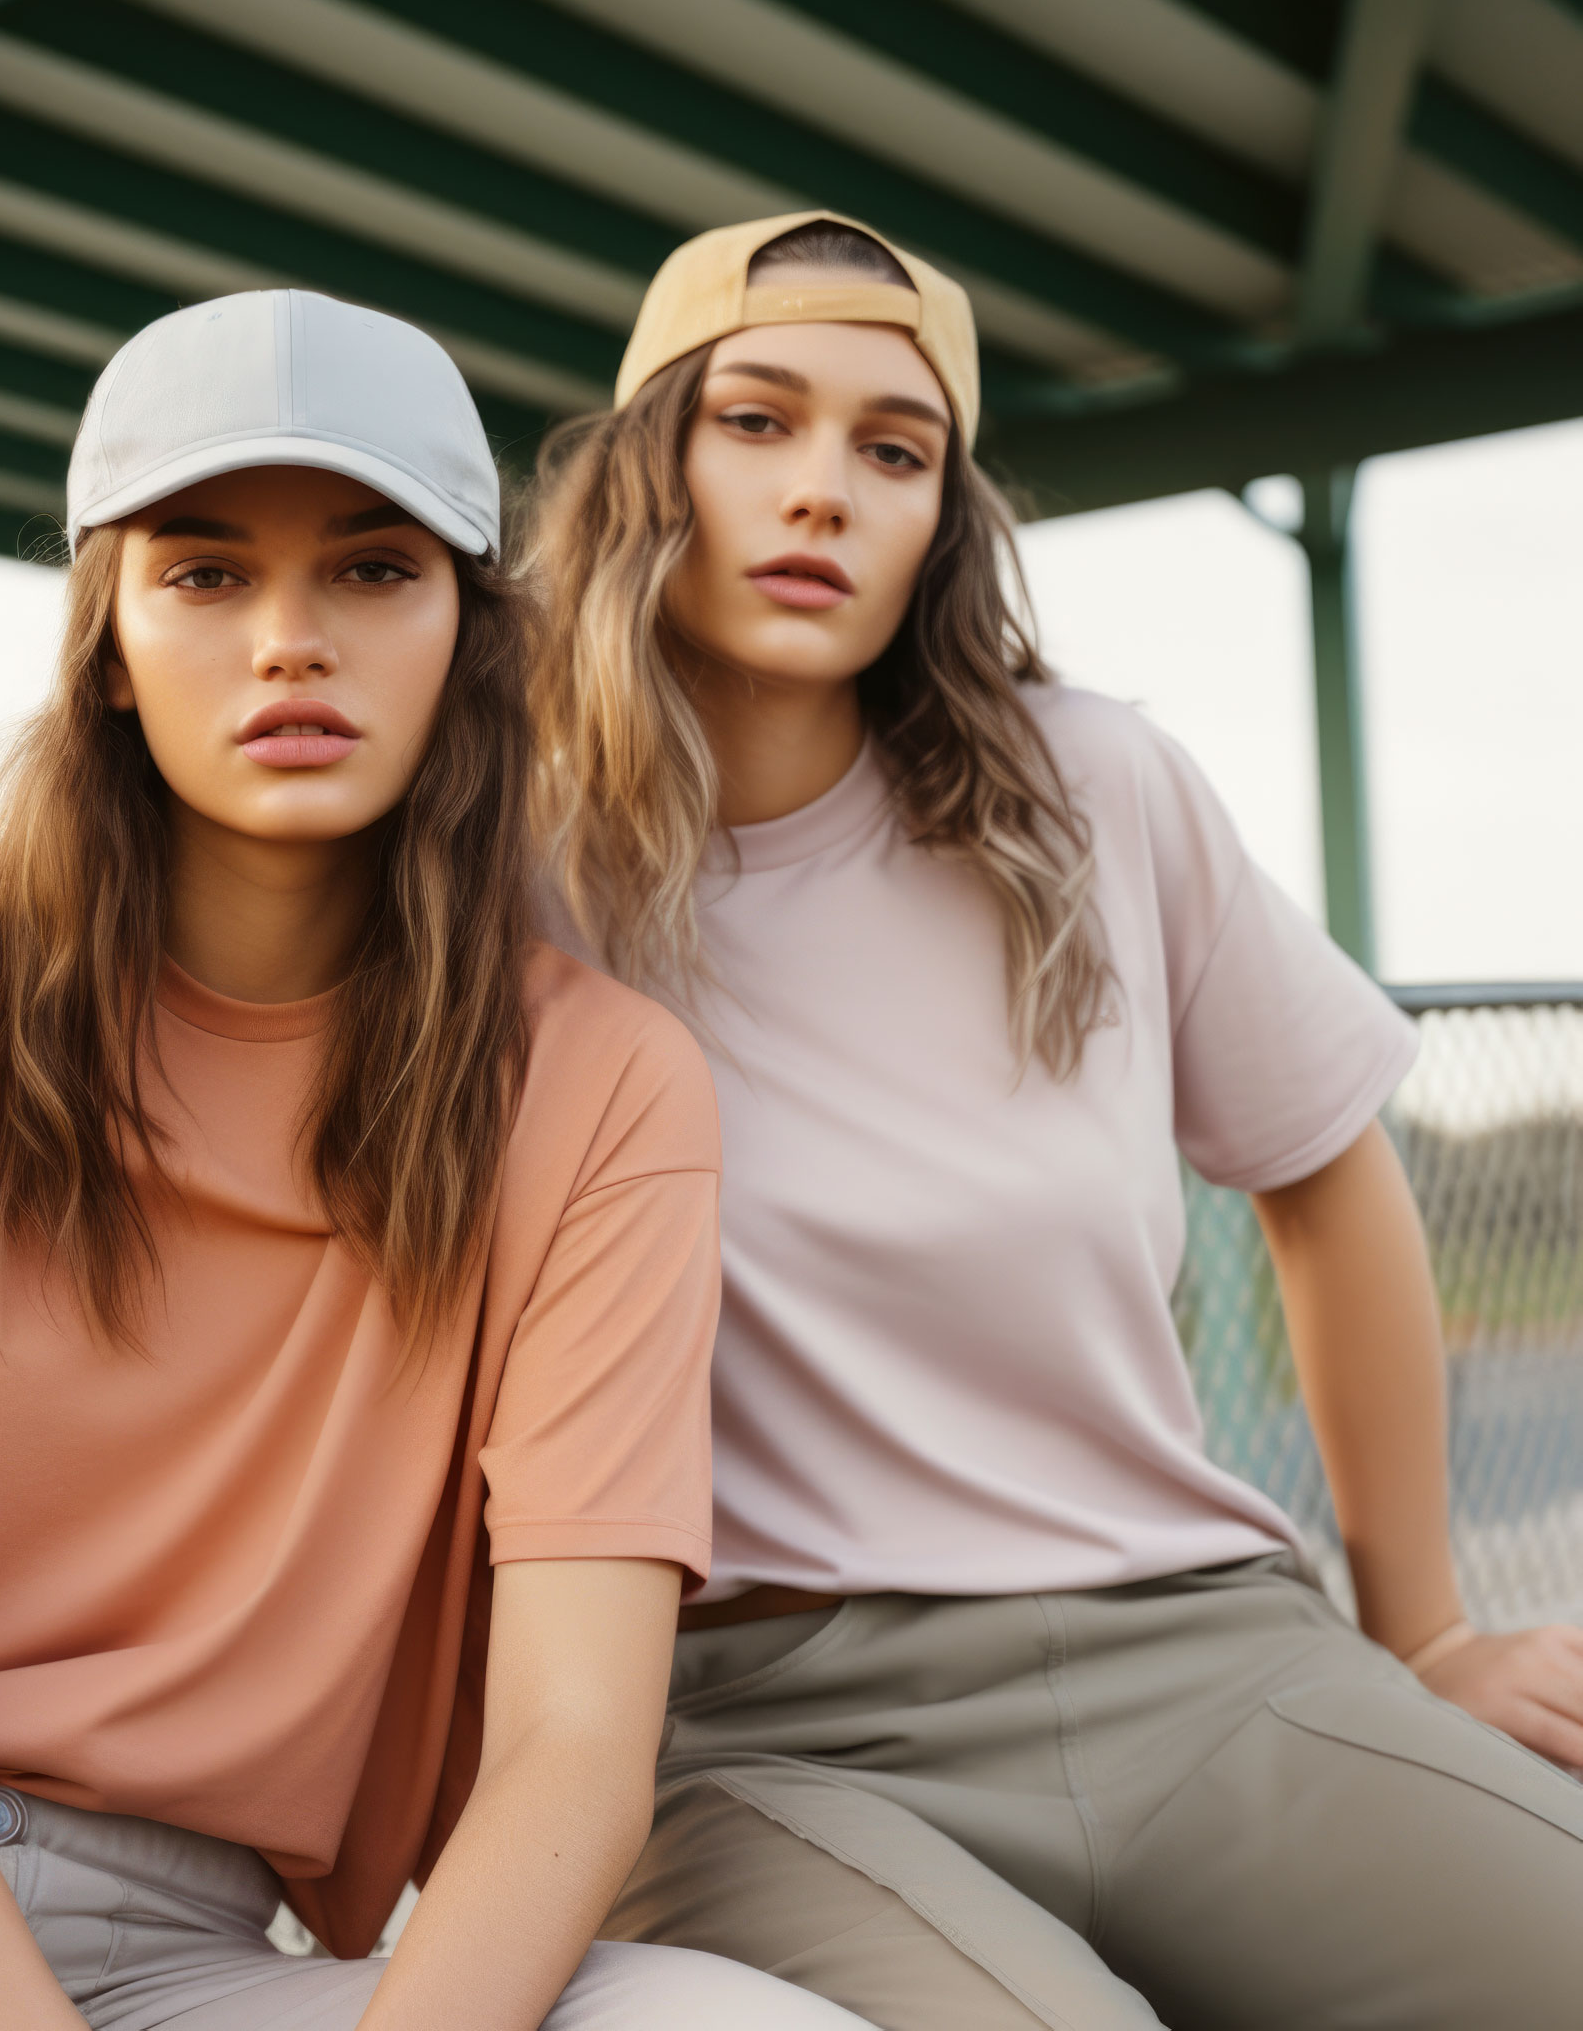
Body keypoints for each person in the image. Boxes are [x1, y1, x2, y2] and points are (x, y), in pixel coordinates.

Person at [0, 290, 869, 2031]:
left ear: (469, 634)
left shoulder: (600, 1088)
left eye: (374, 570)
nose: (290, 643)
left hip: (177, 1955)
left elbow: (573, 1740)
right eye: (207, 574)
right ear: (109, 639)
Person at [527, 211, 1583, 2031]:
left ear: (942, 518)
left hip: (1201, 1657)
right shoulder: (494, 875)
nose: (824, 489)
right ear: (648, 469)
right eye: (757, 421)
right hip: (770, 1725)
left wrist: (1424, 1631)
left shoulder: (1093, 788)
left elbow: (1326, 1173)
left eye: (895, 451)